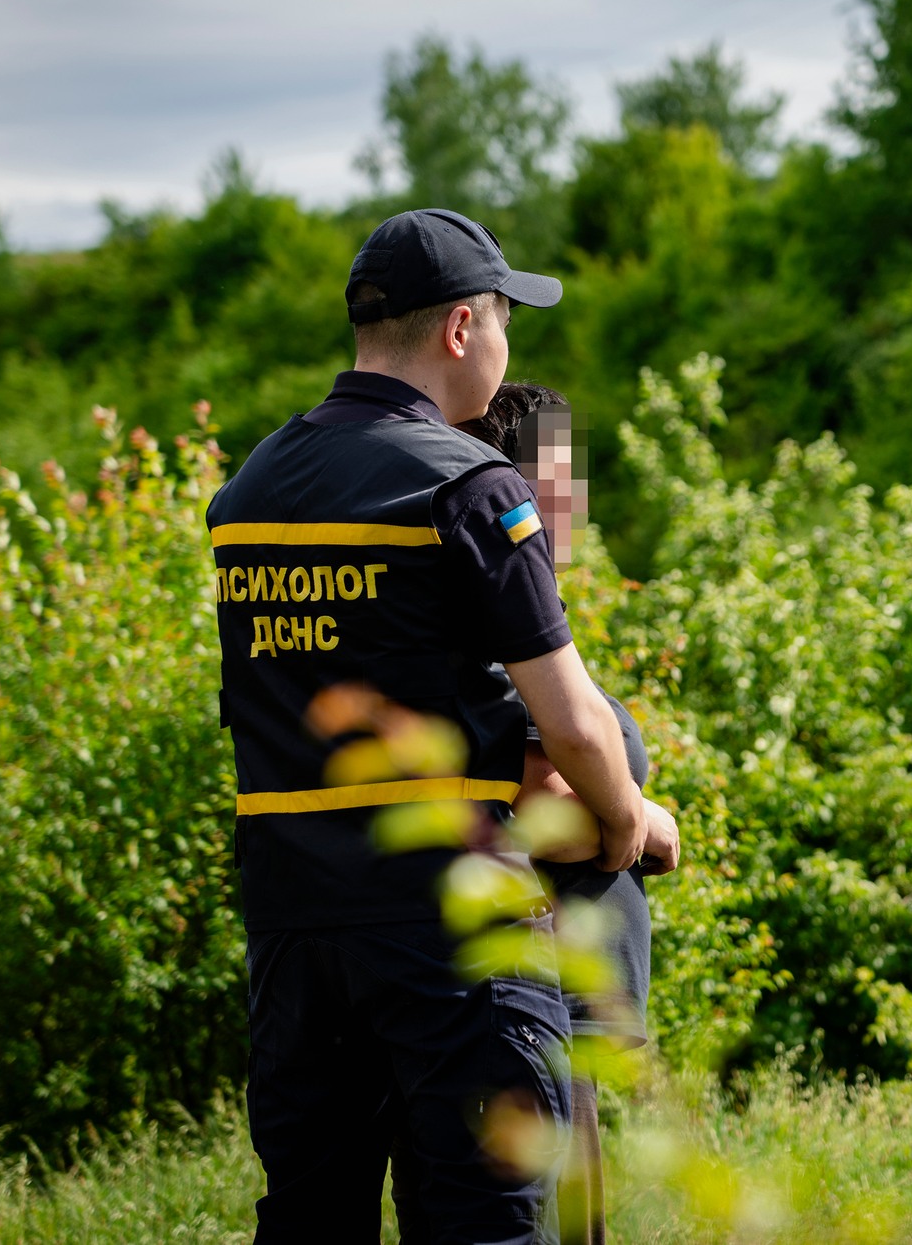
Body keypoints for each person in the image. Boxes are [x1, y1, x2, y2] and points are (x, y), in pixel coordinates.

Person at [204, 208, 678, 1244]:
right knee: (486, 1223)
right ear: (462, 328)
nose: (508, 349)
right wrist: (631, 816)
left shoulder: (250, 490)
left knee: (312, 1221)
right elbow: (576, 727)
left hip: (293, 935)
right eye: (505, 321)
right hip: (446, 937)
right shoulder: (464, 485)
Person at [458, 385, 659, 1245]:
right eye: (558, 477)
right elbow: (541, 804)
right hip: (532, 999)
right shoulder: (494, 630)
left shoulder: (521, 617)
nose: (572, 503)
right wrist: (642, 824)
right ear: (509, 483)